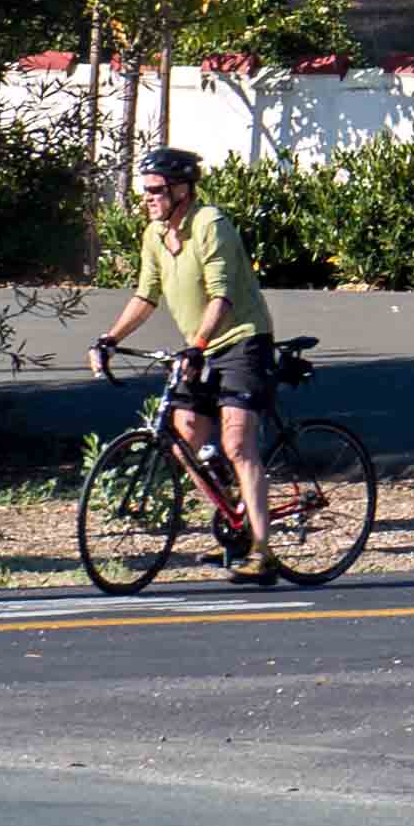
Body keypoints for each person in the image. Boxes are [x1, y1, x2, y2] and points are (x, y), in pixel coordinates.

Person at [90, 147, 280, 577]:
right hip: (201, 345)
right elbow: (145, 295)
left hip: (241, 340)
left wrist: (196, 344)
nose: (148, 199)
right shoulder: (154, 235)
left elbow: (222, 295)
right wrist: (109, 338)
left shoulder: (210, 225)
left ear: (182, 191)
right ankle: (237, 523)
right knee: (185, 441)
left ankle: (263, 551)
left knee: (237, 445)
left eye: (156, 191)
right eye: (145, 192)